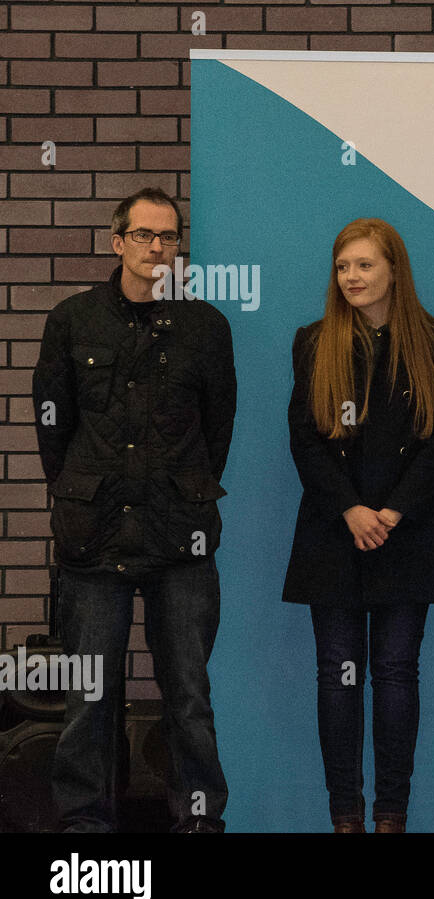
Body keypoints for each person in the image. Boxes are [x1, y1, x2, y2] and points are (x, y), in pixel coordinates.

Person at [32, 187, 235, 832]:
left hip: (181, 539)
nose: (156, 248)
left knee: (190, 699)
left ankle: (199, 821)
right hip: (93, 540)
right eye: (143, 235)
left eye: (167, 237)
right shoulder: (72, 320)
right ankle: (85, 833)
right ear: (117, 241)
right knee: (89, 699)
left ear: (178, 246)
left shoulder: (206, 327)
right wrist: (84, 488)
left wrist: (182, 488)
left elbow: (217, 429)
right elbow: (53, 427)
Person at [283, 218, 434, 834]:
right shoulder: (313, 341)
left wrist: (393, 511)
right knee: (337, 677)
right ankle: (345, 817)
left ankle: (391, 816)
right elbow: (305, 439)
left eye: (364, 265)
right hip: (334, 532)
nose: (352, 277)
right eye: (343, 267)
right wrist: (351, 510)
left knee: (394, 674)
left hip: (405, 534)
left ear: (393, 270)